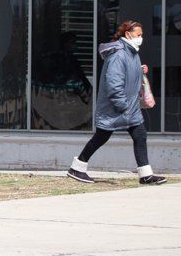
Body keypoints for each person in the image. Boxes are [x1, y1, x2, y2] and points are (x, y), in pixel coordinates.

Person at [67, 20, 166, 185]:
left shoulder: (132, 52)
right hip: (118, 107)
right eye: (139, 35)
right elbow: (114, 83)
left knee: (140, 135)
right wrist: (123, 106)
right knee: (101, 137)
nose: (141, 38)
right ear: (128, 34)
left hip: (129, 107)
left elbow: (125, 73)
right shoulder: (119, 55)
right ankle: (77, 168)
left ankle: (146, 175)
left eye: (142, 35)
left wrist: (139, 69)